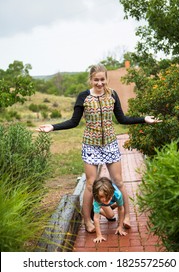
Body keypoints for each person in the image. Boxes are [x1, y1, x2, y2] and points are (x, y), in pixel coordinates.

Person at [36, 63, 162, 233]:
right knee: (90, 184)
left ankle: (127, 216)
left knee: (119, 182)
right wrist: (53, 126)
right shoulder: (83, 97)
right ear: (91, 79)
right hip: (91, 145)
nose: (100, 83)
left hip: (110, 144)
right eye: (96, 80)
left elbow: (122, 119)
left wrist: (143, 119)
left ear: (106, 79)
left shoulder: (112, 95)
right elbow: (74, 122)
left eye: (102, 79)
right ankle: (87, 221)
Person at [92, 176, 127, 243]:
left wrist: (120, 226)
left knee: (121, 204)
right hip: (101, 202)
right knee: (111, 215)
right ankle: (94, 209)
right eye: (102, 196)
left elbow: (121, 209)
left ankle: (110, 207)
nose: (104, 199)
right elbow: (96, 218)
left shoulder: (118, 194)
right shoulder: (98, 200)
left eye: (107, 196)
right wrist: (99, 235)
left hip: (113, 200)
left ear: (112, 193)